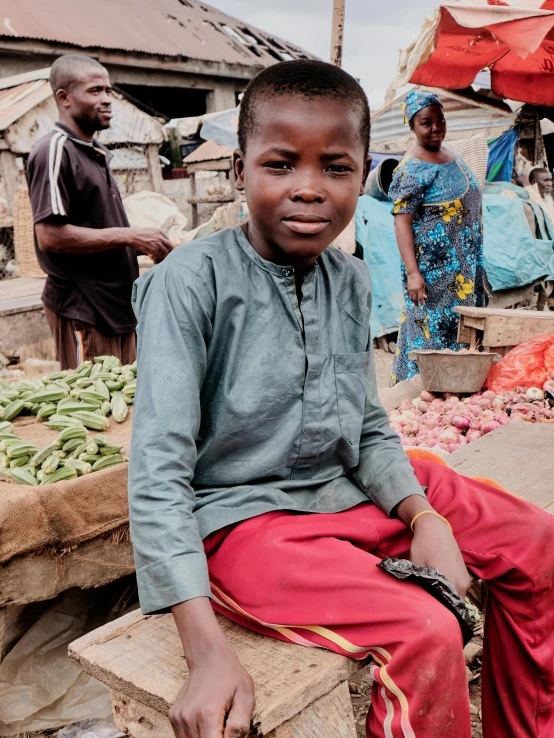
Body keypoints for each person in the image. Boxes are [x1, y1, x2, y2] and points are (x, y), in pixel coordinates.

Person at [129, 61, 554, 738]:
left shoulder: (350, 279)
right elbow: (157, 474)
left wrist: (423, 517)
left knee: (536, 544)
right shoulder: (188, 284)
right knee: (424, 631)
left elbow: (366, 426)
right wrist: (205, 654)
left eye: (334, 167)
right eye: (279, 165)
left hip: (345, 491)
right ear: (240, 171)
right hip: (243, 526)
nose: (308, 189)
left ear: (364, 175)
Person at [26, 54, 173, 370]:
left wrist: (145, 242)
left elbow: (98, 225)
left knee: (125, 401)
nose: (107, 100)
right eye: (95, 91)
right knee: (93, 407)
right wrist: (132, 237)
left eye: (108, 91)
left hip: (116, 307)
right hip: (84, 309)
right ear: (63, 98)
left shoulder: (95, 153)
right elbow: (50, 235)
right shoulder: (54, 150)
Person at [388, 91, 485, 386]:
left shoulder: (451, 154)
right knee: (430, 331)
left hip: (462, 267)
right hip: (433, 272)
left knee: (461, 328)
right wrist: (414, 274)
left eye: (440, 120)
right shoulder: (412, 167)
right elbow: (402, 222)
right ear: (412, 126)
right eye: (426, 123)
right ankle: (421, 393)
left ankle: (455, 390)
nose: (436, 128)